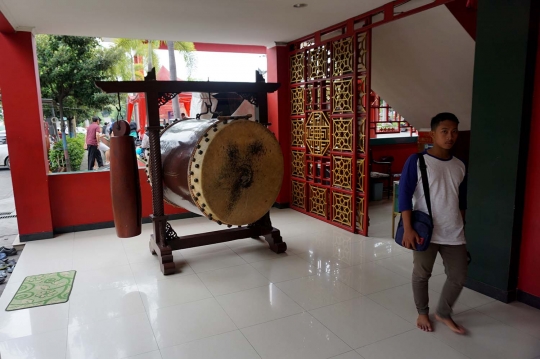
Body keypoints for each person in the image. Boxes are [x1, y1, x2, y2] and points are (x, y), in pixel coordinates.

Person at [398, 112, 468, 335]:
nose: (450, 136)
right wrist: (408, 229)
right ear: (432, 134)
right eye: (444, 131)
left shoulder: (460, 165)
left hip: (453, 231)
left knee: (458, 276)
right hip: (424, 230)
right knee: (421, 274)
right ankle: (422, 311)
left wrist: (461, 224)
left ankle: (444, 312)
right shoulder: (417, 161)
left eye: (454, 131)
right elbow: (404, 195)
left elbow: (462, 200)